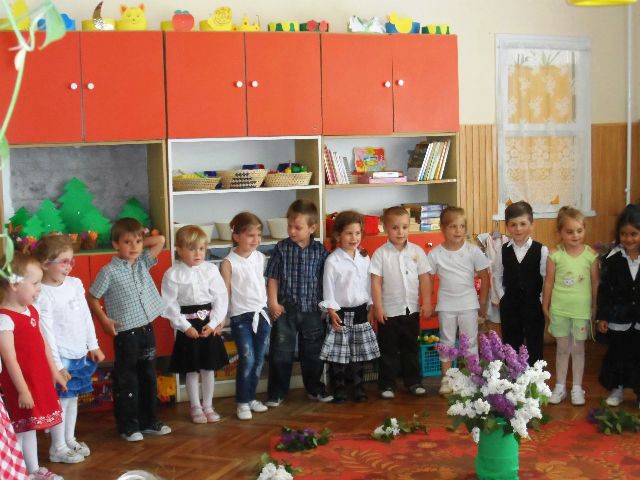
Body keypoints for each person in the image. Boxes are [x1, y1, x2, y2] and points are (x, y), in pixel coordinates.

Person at [88, 218, 171, 441]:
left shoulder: (142, 262)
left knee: (148, 376)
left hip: (146, 329)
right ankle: (128, 426)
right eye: (127, 242)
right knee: (128, 380)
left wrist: (139, 239)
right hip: (127, 334)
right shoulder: (109, 271)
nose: (134, 246)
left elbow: (160, 240)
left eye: (138, 241)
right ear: (115, 244)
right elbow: (93, 297)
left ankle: (149, 421)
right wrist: (104, 321)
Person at [33, 235, 105, 464]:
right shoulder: (42, 293)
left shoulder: (74, 284)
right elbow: (46, 334)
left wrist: (93, 345)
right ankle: (58, 447)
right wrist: (56, 365)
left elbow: (85, 316)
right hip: (60, 357)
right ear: (45, 263)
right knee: (61, 402)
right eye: (64, 261)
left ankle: (69, 438)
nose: (69, 266)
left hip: (78, 353)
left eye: (71, 261)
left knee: (72, 399)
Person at [0, 252, 67, 480]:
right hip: (21, 384)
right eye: (35, 283)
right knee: (19, 430)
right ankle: (17, 472)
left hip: (37, 379)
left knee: (29, 427)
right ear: (14, 284)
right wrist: (23, 390)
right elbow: (9, 359)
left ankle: (33, 469)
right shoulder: (4, 319)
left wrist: (54, 371)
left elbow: (42, 342)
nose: (40, 289)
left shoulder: (31, 310)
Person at [265, 199, 332, 407]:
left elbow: (327, 280)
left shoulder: (320, 251)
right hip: (286, 310)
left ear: (312, 228)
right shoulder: (281, 248)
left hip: (313, 310)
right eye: (289, 226)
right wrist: (273, 303)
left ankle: (314, 388)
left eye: (298, 227)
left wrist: (327, 306)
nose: (292, 231)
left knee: (313, 354)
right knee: (280, 353)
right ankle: (277, 393)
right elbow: (273, 277)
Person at [162, 225, 229, 424]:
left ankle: (208, 405)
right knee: (191, 368)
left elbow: (221, 297)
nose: (198, 253)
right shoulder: (173, 274)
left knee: (209, 367)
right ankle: (195, 407)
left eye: (201, 248)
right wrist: (185, 327)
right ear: (179, 250)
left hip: (208, 324)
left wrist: (215, 322)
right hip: (188, 325)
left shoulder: (210, 270)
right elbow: (169, 304)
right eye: (191, 249)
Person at [427, 206, 490, 396]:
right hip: (446, 306)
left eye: (462, 226)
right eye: (453, 226)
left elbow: (485, 277)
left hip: (469, 305)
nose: (458, 231)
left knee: (470, 342)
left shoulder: (473, 251)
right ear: (443, 228)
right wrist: (428, 302)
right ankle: (447, 379)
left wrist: (483, 303)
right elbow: (427, 279)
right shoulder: (435, 254)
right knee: (446, 341)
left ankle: (472, 378)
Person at [319, 211, 380, 403]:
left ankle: (359, 387)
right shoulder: (332, 261)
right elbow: (328, 288)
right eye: (349, 233)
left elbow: (369, 285)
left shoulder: (364, 258)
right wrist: (331, 310)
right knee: (339, 353)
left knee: (358, 352)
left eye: (357, 233)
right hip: (340, 312)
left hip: (361, 310)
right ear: (338, 235)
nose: (354, 238)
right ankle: (339, 388)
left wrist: (371, 305)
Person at [371, 206, 431, 399]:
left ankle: (413, 382)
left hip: (411, 310)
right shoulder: (380, 254)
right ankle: (387, 385)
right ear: (385, 228)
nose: (400, 232)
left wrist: (427, 302)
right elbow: (376, 282)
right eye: (395, 228)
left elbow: (424, 278)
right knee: (388, 350)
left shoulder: (417, 251)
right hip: (389, 311)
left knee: (410, 348)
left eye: (404, 227)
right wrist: (378, 307)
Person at [543, 206, 599, 406]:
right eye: (569, 231)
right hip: (560, 310)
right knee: (562, 349)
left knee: (578, 349)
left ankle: (577, 387)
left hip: (581, 312)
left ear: (584, 230)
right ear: (560, 232)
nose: (575, 235)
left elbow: (595, 283)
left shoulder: (590, 256)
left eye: (579, 230)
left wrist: (594, 306)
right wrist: (545, 305)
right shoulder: (554, 255)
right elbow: (548, 282)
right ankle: (560, 387)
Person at [220, 213, 271, 420]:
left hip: (262, 315)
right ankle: (242, 402)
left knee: (258, 360)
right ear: (236, 236)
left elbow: (261, 284)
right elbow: (225, 292)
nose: (256, 239)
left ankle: (251, 398)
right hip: (241, 318)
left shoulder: (260, 258)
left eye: (258, 235)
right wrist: (221, 317)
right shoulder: (228, 262)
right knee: (247, 358)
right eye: (250, 235)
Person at [491, 201, 548, 365]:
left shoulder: (541, 250)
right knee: (510, 343)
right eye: (513, 225)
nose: (518, 229)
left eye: (523, 224)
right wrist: (502, 296)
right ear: (507, 227)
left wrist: (541, 301)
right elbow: (497, 274)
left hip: (533, 304)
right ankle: (513, 375)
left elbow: (545, 278)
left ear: (531, 224)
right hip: (510, 304)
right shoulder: (503, 250)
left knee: (535, 342)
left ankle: (535, 376)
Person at [596, 204, 640, 408]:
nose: (628, 239)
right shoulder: (613, 260)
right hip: (619, 317)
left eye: (634, 234)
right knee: (618, 354)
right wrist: (603, 316)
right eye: (624, 234)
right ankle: (617, 388)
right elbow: (605, 291)